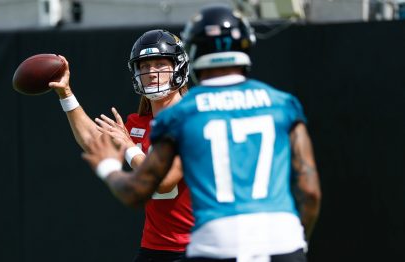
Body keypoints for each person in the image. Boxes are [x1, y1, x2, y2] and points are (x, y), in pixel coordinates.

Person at [81, 4, 322, 262]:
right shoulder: (282, 103)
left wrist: (107, 167)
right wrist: (296, 242)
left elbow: (138, 191)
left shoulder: (182, 114)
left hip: (217, 241)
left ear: (192, 55)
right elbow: (310, 191)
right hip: (283, 240)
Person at [49, 29, 194, 262]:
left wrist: (127, 145)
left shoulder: (190, 117)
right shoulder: (139, 123)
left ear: (179, 68)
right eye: (144, 67)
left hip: (194, 248)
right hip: (155, 247)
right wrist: (66, 94)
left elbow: (164, 182)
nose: (151, 73)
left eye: (160, 65)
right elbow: (94, 142)